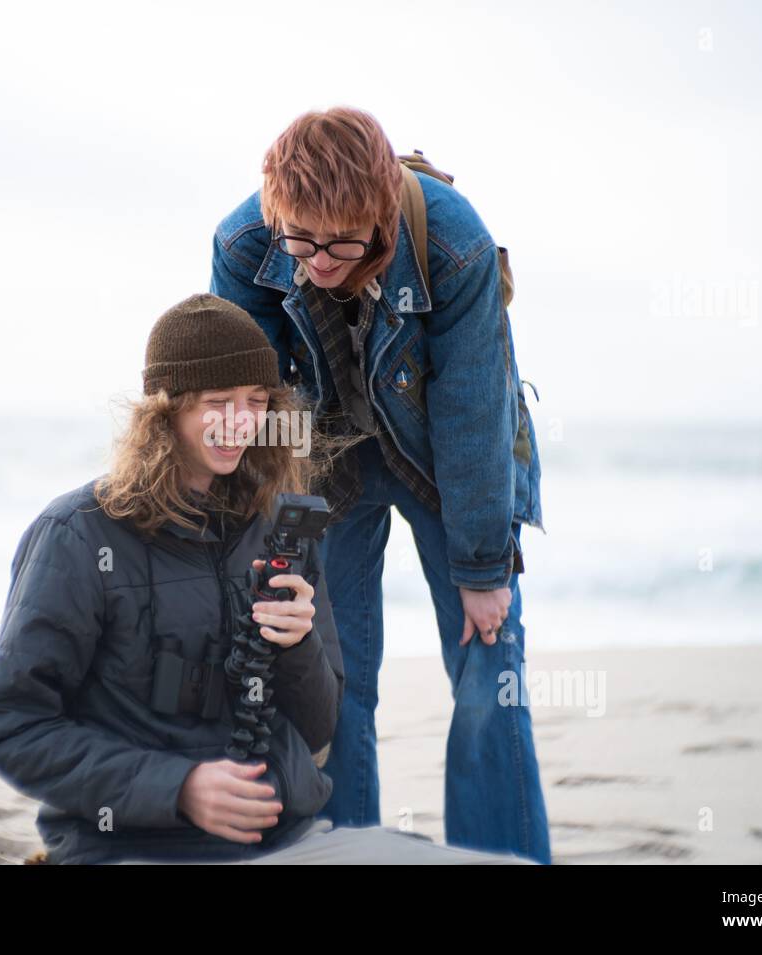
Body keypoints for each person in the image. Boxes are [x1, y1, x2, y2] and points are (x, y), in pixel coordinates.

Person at [0, 292, 533, 865]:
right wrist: (178, 787)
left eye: (257, 401)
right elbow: (13, 728)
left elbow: (320, 726)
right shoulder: (76, 534)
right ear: (164, 410)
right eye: (217, 402)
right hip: (133, 849)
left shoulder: (282, 523)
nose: (240, 424)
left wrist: (297, 646)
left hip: (288, 845)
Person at [209, 107, 551, 865]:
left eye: (341, 242)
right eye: (301, 238)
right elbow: (246, 407)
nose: (319, 260)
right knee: (333, 678)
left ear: (380, 215)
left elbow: (473, 417)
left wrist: (482, 569)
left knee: (487, 668)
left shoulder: (454, 244)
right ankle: (351, 852)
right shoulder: (245, 243)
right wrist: (259, 533)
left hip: (445, 458)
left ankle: (502, 860)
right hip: (330, 458)